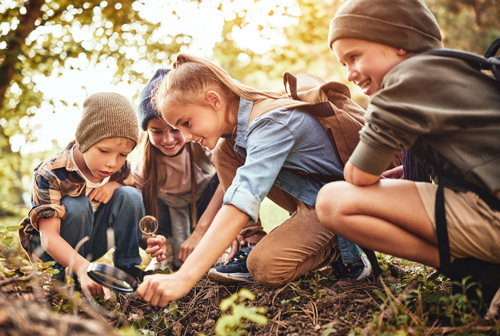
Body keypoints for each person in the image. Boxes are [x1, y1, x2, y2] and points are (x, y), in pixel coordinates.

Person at [137, 53, 371, 307]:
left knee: (265, 267)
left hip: (342, 205)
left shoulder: (270, 123)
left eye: (186, 123)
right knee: (224, 152)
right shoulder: (234, 137)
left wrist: (183, 277)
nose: (187, 136)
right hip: (313, 199)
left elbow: (242, 198)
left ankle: (347, 245)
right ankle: (253, 242)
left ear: (213, 100)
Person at [316, 0, 500, 311]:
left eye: (354, 56)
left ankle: (467, 267)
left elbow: (358, 175)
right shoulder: (458, 69)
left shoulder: (405, 82)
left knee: (333, 200)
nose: (350, 74)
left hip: (492, 217)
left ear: (400, 44)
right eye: (343, 64)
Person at [18, 92, 145, 299]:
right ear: (84, 140)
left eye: (122, 155)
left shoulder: (118, 170)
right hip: (51, 251)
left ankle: (128, 271)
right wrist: (84, 267)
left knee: (130, 195)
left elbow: (135, 186)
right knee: (77, 205)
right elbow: (48, 237)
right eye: (104, 151)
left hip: (88, 245)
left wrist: (113, 185)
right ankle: (56, 281)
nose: (112, 163)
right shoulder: (51, 173)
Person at [132, 68, 223, 270]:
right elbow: (138, 212)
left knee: (224, 177)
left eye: (175, 129)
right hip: (165, 213)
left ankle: (219, 245)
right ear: (147, 131)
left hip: (202, 207)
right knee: (134, 196)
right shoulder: (141, 165)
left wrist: (201, 230)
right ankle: (166, 252)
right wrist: (150, 239)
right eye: (157, 132)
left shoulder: (201, 142)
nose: (168, 139)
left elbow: (232, 180)